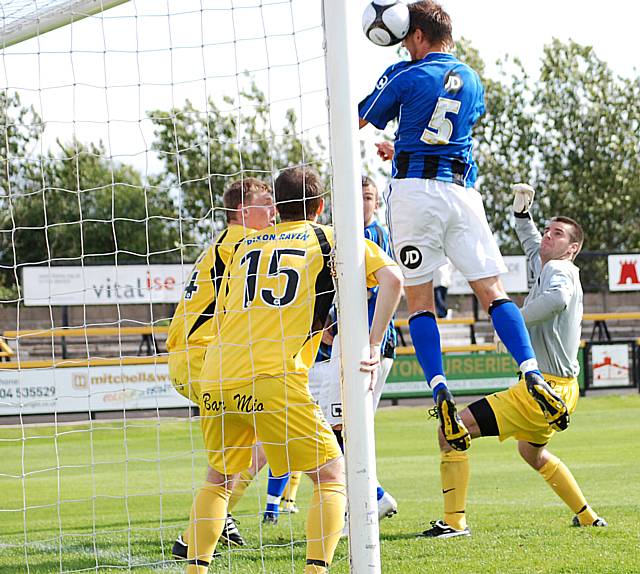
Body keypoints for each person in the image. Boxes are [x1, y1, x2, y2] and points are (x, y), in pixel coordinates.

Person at [358, 0, 569, 452]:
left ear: (414, 36)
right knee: (493, 292)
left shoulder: (405, 73)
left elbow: (358, 116)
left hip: (415, 194)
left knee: (419, 301)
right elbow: (447, 131)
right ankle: (531, 370)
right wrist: (405, 146)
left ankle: (439, 390)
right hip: (461, 194)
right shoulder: (472, 79)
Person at [184, 166, 404, 574]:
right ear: (320, 206)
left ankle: (195, 568)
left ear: (276, 207)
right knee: (332, 473)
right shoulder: (328, 237)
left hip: (217, 372)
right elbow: (393, 279)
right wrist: (373, 344)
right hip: (273, 374)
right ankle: (316, 569)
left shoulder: (244, 246)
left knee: (219, 477)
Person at [420, 183, 607, 538]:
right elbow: (531, 244)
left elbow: (557, 299)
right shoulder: (549, 262)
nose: (548, 237)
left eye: (557, 235)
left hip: (543, 390)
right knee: (532, 453)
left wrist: (513, 321)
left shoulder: (561, 271)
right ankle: (587, 516)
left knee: (450, 430)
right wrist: (523, 217)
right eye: (548, 231)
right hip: (561, 390)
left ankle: (455, 523)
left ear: (574, 249)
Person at [166, 177, 275, 558]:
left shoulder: (223, 245)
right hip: (203, 357)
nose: (275, 211)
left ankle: (198, 535)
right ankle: (361, 497)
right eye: (267, 203)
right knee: (283, 432)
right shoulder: (244, 246)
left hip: (195, 358)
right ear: (243, 211)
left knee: (249, 447)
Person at [318, 175, 399, 521]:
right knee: (337, 425)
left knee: (336, 426)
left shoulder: (371, 236)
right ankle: (371, 496)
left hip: (364, 346)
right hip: (351, 342)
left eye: (368, 196)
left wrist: (372, 341)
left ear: (376, 203)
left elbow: (389, 285)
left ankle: (366, 500)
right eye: (356, 195)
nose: (362, 202)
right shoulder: (344, 238)